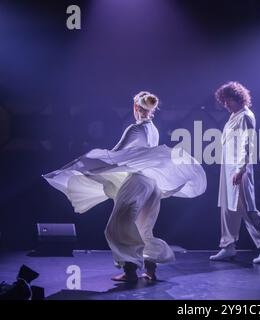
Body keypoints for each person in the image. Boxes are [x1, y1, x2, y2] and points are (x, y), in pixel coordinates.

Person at [43, 91, 206, 282]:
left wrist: (87, 164)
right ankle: (150, 269)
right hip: (152, 184)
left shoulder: (135, 129)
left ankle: (130, 271)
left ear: (136, 107)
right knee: (143, 229)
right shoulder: (153, 128)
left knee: (117, 227)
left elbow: (115, 155)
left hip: (138, 183)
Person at [210, 81, 260, 264]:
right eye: (223, 101)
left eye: (227, 100)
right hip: (229, 168)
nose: (225, 104)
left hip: (240, 169)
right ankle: (228, 246)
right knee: (227, 208)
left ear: (237, 97)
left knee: (247, 208)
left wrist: (240, 169)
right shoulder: (234, 116)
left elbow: (247, 144)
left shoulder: (246, 116)